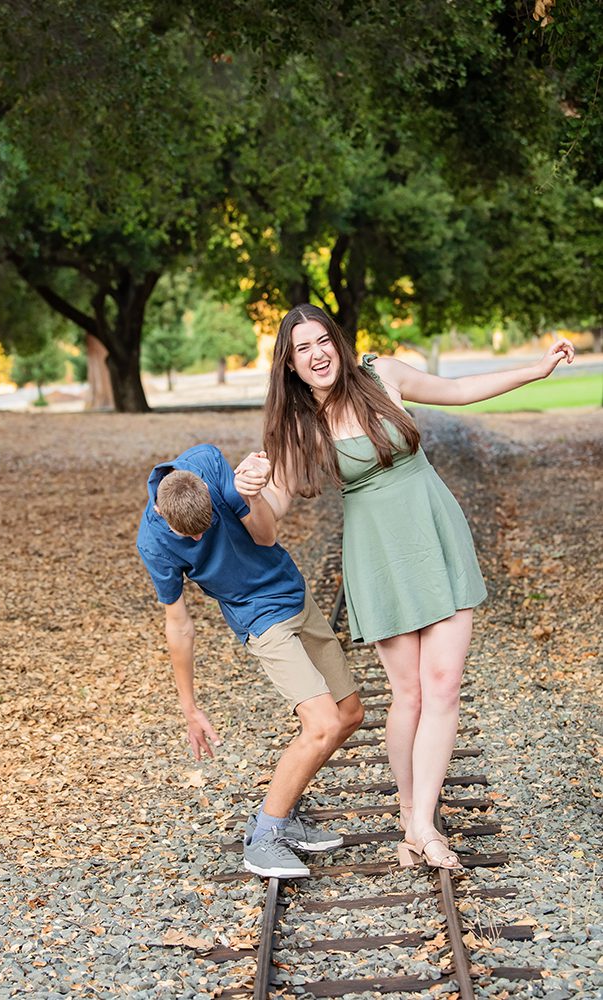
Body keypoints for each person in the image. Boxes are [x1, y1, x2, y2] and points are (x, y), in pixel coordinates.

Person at [236, 303, 574, 870]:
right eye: (303, 348)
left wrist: (535, 371)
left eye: (324, 340)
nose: (317, 354)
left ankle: (422, 823)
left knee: (443, 685)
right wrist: (249, 493)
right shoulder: (298, 428)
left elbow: (460, 389)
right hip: (380, 557)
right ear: (290, 364)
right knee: (410, 694)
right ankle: (409, 808)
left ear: (337, 343)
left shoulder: (381, 375)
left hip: (435, 531)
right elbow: (268, 526)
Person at [136, 443, 364, 878]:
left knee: (349, 714)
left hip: (293, 593)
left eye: (206, 530)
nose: (200, 541)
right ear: (164, 516)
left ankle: (284, 816)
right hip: (260, 619)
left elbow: (265, 535)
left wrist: (252, 493)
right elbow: (179, 625)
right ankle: (264, 837)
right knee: (323, 724)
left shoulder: (206, 462)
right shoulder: (154, 543)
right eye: (191, 539)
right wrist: (190, 708)